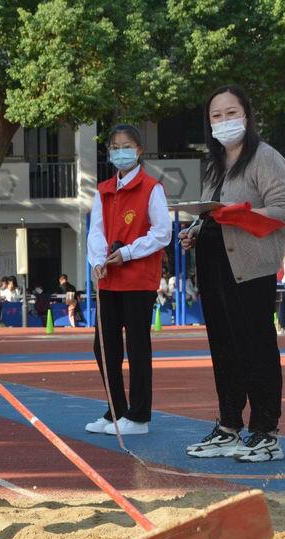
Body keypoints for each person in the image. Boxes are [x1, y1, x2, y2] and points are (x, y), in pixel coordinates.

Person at [179, 84, 285, 463]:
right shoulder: (215, 165)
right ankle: (229, 426)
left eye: (231, 113)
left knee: (256, 348)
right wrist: (195, 229)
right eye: (217, 115)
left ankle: (266, 432)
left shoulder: (266, 158)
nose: (224, 121)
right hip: (214, 267)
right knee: (224, 348)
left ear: (246, 115)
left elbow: (284, 209)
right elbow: (212, 214)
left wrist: (239, 214)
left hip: (250, 270)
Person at [85, 124, 171, 437]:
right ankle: (116, 410)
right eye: (115, 147)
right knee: (104, 347)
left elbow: (162, 232)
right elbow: (96, 230)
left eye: (126, 146)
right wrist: (98, 260)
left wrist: (129, 252)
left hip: (138, 279)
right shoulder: (104, 189)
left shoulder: (152, 188)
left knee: (137, 348)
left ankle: (139, 416)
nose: (120, 152)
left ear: (138, 150)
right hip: (108, 279)